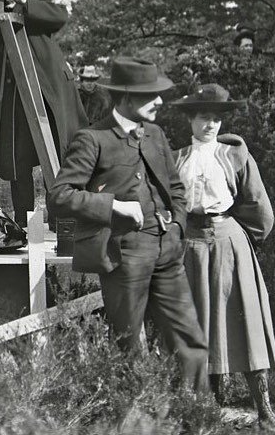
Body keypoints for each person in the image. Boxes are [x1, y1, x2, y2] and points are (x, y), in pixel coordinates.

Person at [49, 57, 208, 391]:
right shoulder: (93, 138)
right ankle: (134, 418)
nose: (159, 101)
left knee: (190, 340)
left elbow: (176, 189)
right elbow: (60, 195)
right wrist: (113, 205)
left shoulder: (155, 134)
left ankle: (197, 414)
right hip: (125, 254)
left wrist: (177, 228)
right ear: (125, 97)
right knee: (128, 345)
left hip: (167, 249)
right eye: (151, 95)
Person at [172, 83, 275, 430]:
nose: (210, 125)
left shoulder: (235, 154)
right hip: (190, 245)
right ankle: (207, 409)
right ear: (190, 119)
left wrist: (240, 238)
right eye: (203, 118)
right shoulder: (176, 159)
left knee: (245, 321)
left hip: (228, 242)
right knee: (199, 324)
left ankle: (264, 411)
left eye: (216, 119)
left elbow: (260, 208)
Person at [0, 0, 88, 228]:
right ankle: (26, 225)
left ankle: (60, 222)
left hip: (48, 96)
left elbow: (61, 17)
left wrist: (24, 1)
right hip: (15, 100)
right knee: (17, 161)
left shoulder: (32, 7)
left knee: (57, 156)